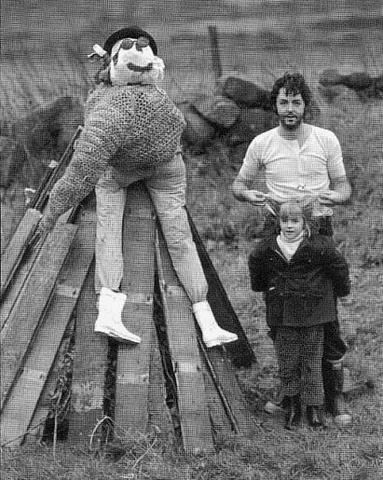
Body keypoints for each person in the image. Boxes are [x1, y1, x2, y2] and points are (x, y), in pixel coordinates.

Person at [34, 26, 238, 349]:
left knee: (110, 228)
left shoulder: (107, 107)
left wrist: (50, 212)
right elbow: (178, 128)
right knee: (177, 233)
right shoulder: (158, 98)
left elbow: (81, 171)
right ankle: (205, 318)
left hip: (125, 170)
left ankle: (110, 308)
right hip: (165, 166)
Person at [232, 72, 352, 425]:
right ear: (275, 104)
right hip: (278, 229)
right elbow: (239, 185)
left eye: (296, 101)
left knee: (324, 311)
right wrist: (248, 194)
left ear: (305, 105)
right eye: (283, 101)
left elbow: (344, 187)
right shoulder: (263, 143)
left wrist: (335, 196)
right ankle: (290, 394)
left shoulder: (326, 139)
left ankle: (335, 395)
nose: (289, 108)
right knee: (280, 312)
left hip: (318, 229)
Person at [248, 199, 351, 429]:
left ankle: (314, 408)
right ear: (278, 223)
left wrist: (341, 291)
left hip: (313, 314)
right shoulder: (268, 247)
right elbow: (255, 264)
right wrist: (264, 286)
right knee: (287, 361)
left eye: (295, 221)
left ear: (306, 223)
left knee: (312, 361)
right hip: (282, 314)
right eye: (284, 221)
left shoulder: (319, 246)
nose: (289, 226)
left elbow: (339, 267)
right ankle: (293, 408)